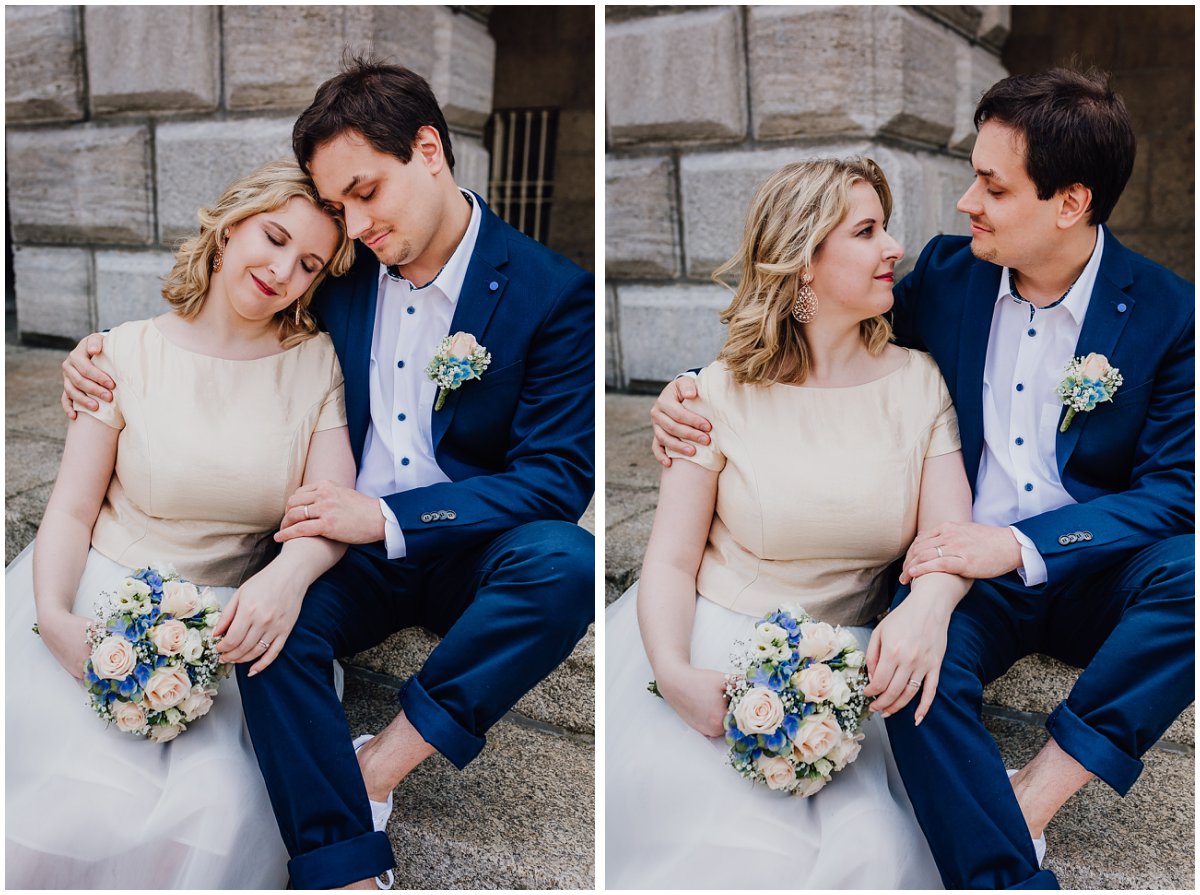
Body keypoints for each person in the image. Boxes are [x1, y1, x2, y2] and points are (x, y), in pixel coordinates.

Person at [650, 68, 1194, 889]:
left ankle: (1030, 803)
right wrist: (687, 388)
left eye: (991, 185)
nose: (965, 202)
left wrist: (1012, 543)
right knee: (909, 667)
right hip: (961, 578)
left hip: (1091, 566)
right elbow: (812, 327)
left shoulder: (1170, 314)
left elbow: (1176, 494)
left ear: (1070, 203)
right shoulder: (949, 273)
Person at [63, 58, 595, 890]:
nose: (352, 224)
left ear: (428, 149)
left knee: (567, 560)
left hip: (468, 545)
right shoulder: (342, 272)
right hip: (344, 558)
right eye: (339, 205)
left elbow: (557, 479)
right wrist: (95, 354)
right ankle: (341, 869)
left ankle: (375, 769)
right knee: (270, 621)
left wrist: (384, 520)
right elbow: (226, 316)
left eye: (365, 192)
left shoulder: (553, 293)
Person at [606, 157, 972, 888]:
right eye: (866, 231)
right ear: (803, 261)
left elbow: (948, 544)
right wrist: (676, 675)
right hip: (718, 647)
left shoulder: (919, 383)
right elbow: (671, 562)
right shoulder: (713, 394)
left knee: (871, 851)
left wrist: (928, 607)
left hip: (861, 671)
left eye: (885, 226)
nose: (894, 246)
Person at [7, 158, 356, 888]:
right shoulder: (122, 353)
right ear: (229, 227)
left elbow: (330, 509)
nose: (284, 270)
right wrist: (53, 616)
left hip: (233, 622)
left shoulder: (316, 363)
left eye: (309, 263)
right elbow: (70, 507)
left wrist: (286, 580)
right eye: (273, 236)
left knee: (219, 810)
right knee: (65, 807)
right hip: (98, 590)